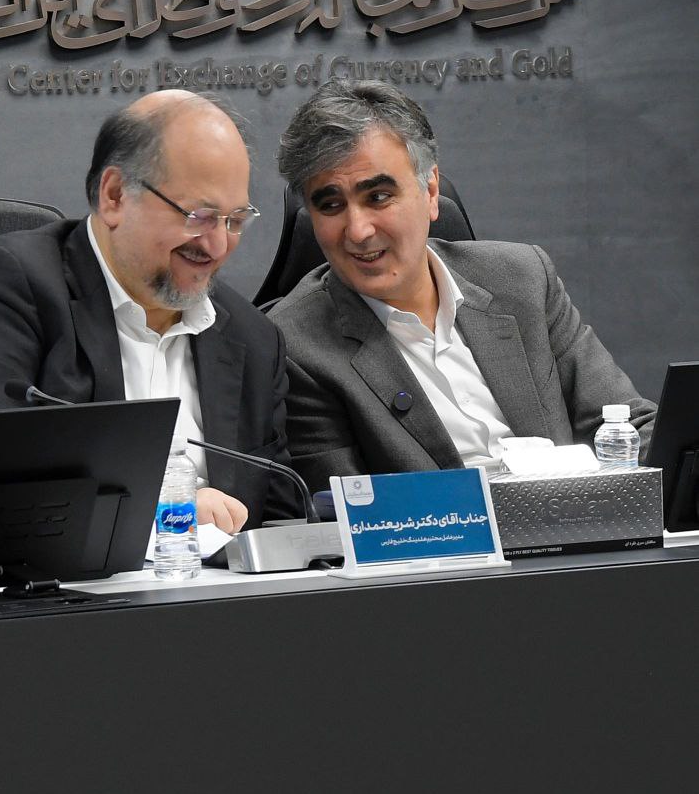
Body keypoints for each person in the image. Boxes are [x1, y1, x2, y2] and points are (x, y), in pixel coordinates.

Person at [0, 90, 299, 532]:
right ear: (115, 196)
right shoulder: (5, 285)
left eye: (235, 221)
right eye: (199, 216)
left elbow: (282, 522)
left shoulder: (253, 339)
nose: (218, 245)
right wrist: (166, 503)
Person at [270, 80, 656, 495]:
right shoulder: (295, 346)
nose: (358, 231)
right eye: (330, 206)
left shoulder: (523, 278)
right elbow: (352, 506)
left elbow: (627, 428)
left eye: (379, 197)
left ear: (430, 191)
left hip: (578, 522)